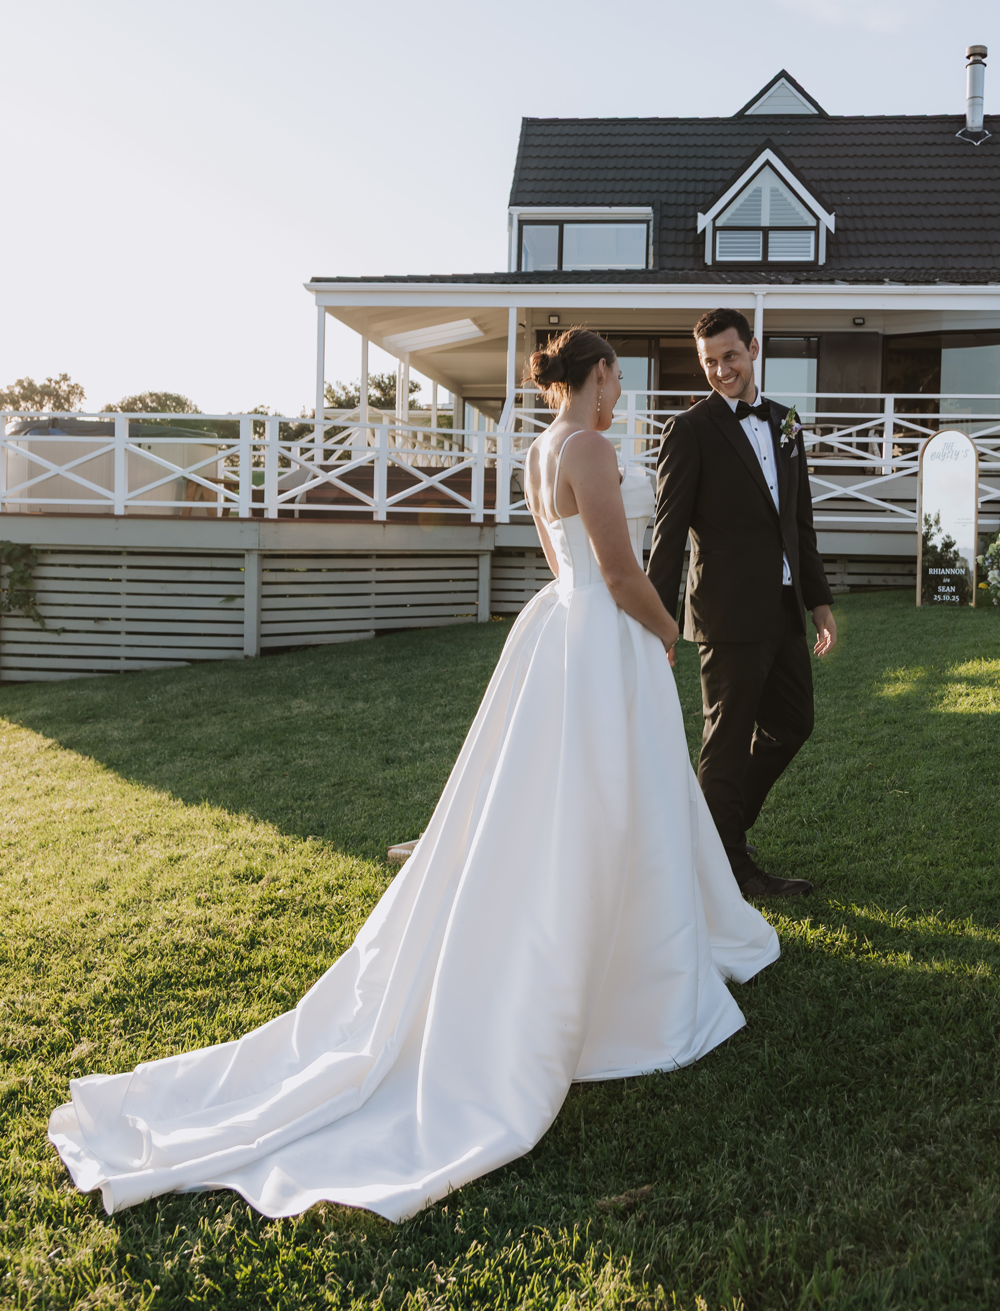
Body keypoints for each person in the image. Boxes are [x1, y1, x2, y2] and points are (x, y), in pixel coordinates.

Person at [49, 329, 778, 1226]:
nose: (620, 393)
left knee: (564, 803)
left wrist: (612, 612)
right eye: (617, 378)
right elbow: (622, 571)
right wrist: (667, 632)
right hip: (603, 640)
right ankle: (631, 966)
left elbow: (565, 566)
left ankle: (605, 931)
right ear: (594, 378)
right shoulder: (585, 445)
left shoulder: (535, 452)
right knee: (609, 803)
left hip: (558, 631)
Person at [646, 308, 836, 900]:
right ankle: (728, 869)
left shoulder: (787, 423)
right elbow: (669, 533)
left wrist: (819, 602)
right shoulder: (691, 429)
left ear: (754, 350)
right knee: (725, 744)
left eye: (730, 357)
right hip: (726, 615)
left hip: (782, 607)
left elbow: (798, 522)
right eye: (709, 362)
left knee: (792, 722)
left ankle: (716, 830)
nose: (721, 370)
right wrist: (658, 619)